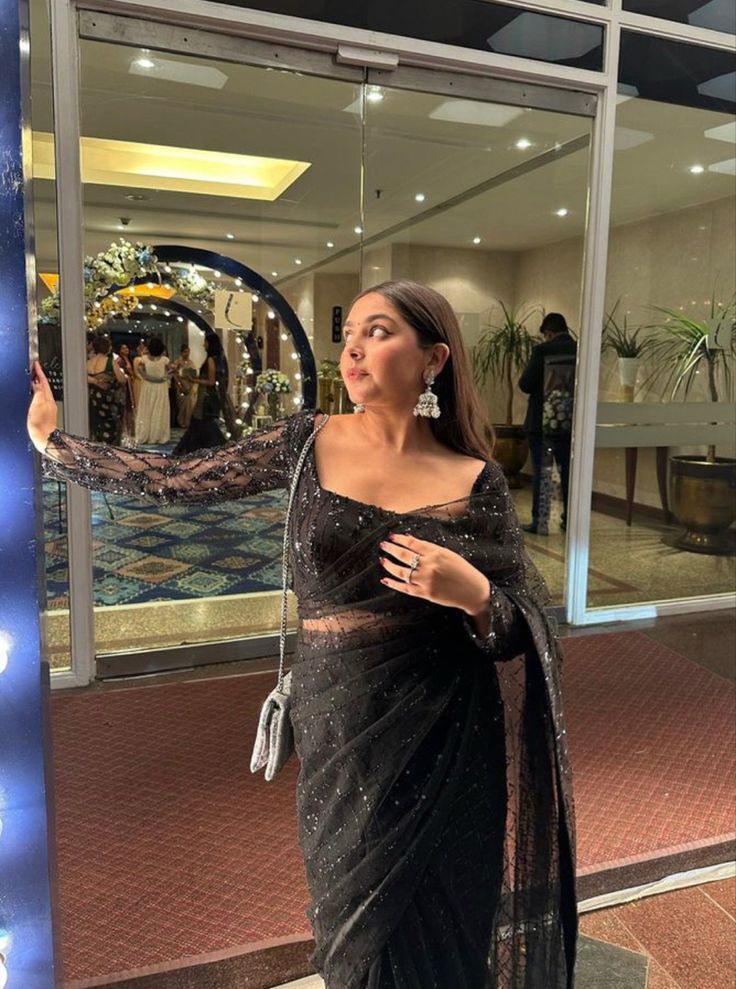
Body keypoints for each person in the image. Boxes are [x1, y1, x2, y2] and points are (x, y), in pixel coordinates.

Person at [28, 281, 578, 988]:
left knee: (446, 933)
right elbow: (176, 479)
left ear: (433, 358)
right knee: (354, 926)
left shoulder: (476, 481)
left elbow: (523, 629)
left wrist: (472, 593)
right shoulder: (306, 441)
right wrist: (53, 441)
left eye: (380, 332)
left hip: (449, 737)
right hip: (343, 730)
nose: (354, 345)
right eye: (351, 330)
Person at [518, 312, 577, 534]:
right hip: (569, 423)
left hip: (541, 423)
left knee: (543, 472)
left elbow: (525, 384)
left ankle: (540, 521)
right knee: (569, 472)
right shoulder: (579, 349)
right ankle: (569, 519)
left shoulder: (542, 350)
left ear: (548, 333)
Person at [173, 333, 227, 454]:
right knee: (200, 424)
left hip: (205, 396)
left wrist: (194, 380)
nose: (203, 345)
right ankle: (200, 449)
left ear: (210, 343)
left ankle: (203, 448)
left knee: (201, 423)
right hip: (207, 395)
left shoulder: (210, 360)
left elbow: (211, 381)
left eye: (205, 342)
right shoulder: (218, 359)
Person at [86, 333, 127, 444]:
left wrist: (95, 381)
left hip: (93, 398)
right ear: (107, 347)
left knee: (96, 425)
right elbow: (121, 379)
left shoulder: (88, 363)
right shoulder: (110, 362)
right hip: (108, 399)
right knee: (111, 426)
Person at [134, 335, 171, 446]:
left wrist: (148, 378)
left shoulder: (144, 359)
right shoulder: (165, 360)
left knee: (147, 408)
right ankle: (158, 436)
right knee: (159, 409)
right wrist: (164, 378)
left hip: (148, 386)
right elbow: (172, 371)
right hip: (160, 387)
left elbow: (140, 371)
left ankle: (146, 435)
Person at [116, 341, 136, 444]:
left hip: (131, 386)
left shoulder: (129, 360)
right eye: (123, 348)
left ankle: (131, 433)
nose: (126, 350)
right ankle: (127, 434)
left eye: (127, 348)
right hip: (125, 387)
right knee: (126, 410)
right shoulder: (119, 361)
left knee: (131, 410)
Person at [172, 344, 197, 428]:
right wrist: (180, 385)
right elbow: (175, 375)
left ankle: (188, 422)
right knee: (182, 405)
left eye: (188, 352)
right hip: (181, 385)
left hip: (189, 384)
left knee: (190, 404)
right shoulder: (177, 362)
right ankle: (181, 421)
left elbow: (194, 373)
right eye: (185, 352)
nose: (187, 354)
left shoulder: (191, 362)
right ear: (182, 352)